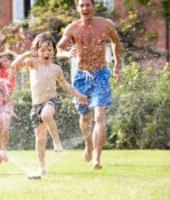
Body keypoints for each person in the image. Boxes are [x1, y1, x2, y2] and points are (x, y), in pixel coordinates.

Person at [11, 33, 88, 175]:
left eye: (49, 49)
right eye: (42, 50)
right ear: (37, 51)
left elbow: (64, 85)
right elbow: (14, 65)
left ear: (54, 51)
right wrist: (27, 54)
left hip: (52, 101)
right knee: (40, 139)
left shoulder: (55, 69)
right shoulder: (32, 63)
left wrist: (78, 95)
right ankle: (42, 167)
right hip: (36, 106)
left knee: (46, 115)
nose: (46, 53)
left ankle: (57, 142)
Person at [57, 0, 121, 169]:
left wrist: (117, 64)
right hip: (81, 77)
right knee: (85, 116)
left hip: (100, 74)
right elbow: (59, 50)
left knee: (99, 116)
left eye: (88, 4)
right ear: (77, 8)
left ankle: (97, 159)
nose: (85, 8)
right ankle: (88, 143)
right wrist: (67, 53)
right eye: (82, 5)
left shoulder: (106, 25)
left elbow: (115, 42)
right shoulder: (72, 28)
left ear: (93, 6)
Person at [0, 50, 18, 161]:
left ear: (11, 62)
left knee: (5, 128)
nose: (4, 62)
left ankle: (4, 149)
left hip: (7, 102)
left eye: (6, 60)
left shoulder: (11, 70)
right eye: (3, 60)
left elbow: (9, 84)